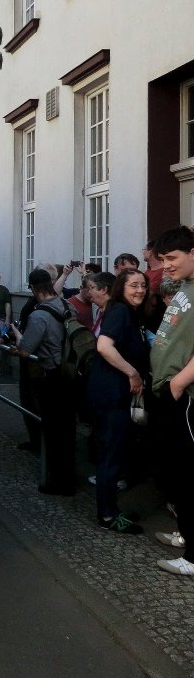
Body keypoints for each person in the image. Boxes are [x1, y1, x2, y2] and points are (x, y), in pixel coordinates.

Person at [86, 269, 148, 534]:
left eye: (143, 285)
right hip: (112, 395)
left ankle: (111, 508)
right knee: (111, 456)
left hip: (116, 395)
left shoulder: (127, 313)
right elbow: (104, 346)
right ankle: (108, 515)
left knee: (114, 453)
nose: (140, 290)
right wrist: (132, 372)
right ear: (121, 287)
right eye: (134, 285)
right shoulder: (120, 312)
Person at [150, 226, 194, 576]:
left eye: (172, 258)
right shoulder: (187, 286)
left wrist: (177, 384)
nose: (165, 265)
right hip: (169, 389)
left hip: (185, 396)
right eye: (162, 259)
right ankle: (186, 534)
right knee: (176, 473)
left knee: (188, 474)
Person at [9, 268, 76, 495]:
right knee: (68, 430)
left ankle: (59, 482)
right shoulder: (68, 306)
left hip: (52, 376)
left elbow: (26, 350)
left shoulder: (39, 315)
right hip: (70, 373)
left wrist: (18, 337)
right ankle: (68, 477)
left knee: (54, 432)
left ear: (32, 288)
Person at [87, 271, 115, 337]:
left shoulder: (114, 313)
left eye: (92, 287)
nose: (89, 292)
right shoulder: (100, 311)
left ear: (104, 290)